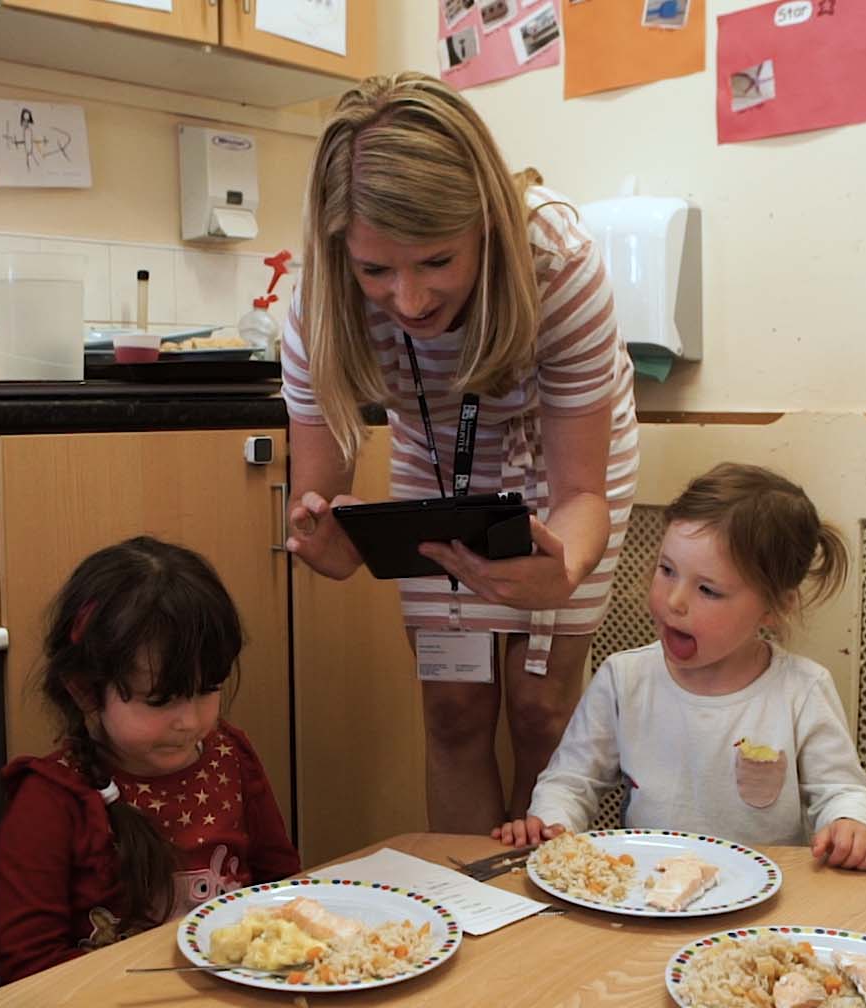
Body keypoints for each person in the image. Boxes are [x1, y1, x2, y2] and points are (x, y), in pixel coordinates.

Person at [282, 72, 639, 833]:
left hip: (561, 453)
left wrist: (565, 568)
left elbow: (582, 494)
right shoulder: (319, 302)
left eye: (437, 261)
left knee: (542, 709)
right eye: (376, 270)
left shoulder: (558, 264)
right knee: (452, 707)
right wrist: (326, 538)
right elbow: (319, 500)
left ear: (485, 223)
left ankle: (542, 899)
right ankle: (467, 895)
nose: (409, 302)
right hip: (438, 449)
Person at [494, 463, 866, 871]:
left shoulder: (802, 689)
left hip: (764, 894)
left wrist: (852, 824)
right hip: (648, 887)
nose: (675, 601)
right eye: (667, 570)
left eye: (707, 590)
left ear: (774, 607)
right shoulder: (624, 679)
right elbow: (571, 781)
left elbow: (842, 790)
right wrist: (552, 824)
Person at [0, 536, 300, 982]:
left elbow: (282, 887)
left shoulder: (230, 756)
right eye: (161, 700)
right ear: (84, 691)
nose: (189, 722)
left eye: (207, 690)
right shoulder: (50, 800)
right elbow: (27, 970)